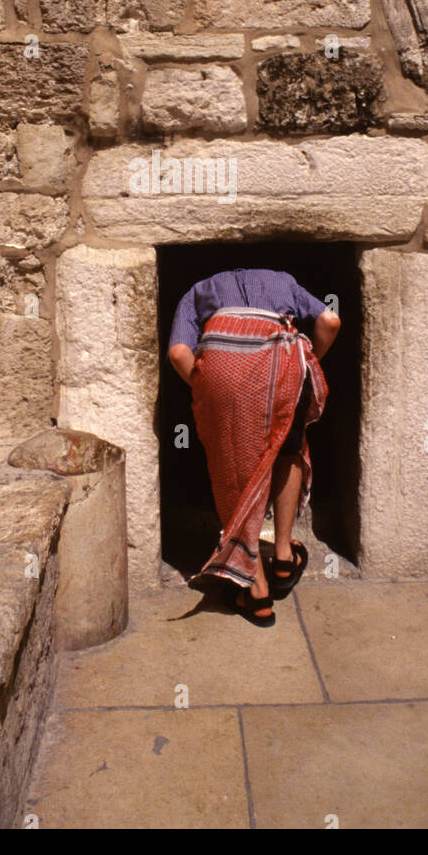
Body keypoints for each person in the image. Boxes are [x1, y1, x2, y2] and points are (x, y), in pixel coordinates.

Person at [167, 268, 341, 626]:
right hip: (283, 365)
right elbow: (329, 320)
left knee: (232, 469)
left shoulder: (197, 289)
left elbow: (178, 353)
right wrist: (305, 366)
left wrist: (208, 388)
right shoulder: (284, 281)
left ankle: (255, 589)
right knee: (288, 450)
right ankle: (281, 559)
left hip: (220, 368)